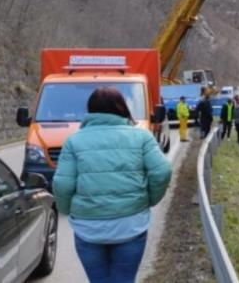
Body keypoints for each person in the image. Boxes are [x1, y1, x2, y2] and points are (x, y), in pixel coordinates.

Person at [53, 87, 172, 283]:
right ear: (122, 108)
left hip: (88, 228)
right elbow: (162, 171)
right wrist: (148, 200)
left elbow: (62, 184)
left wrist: (68, 210)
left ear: (90, 110)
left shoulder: (74, 141)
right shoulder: (141, 137)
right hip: (131, 225)